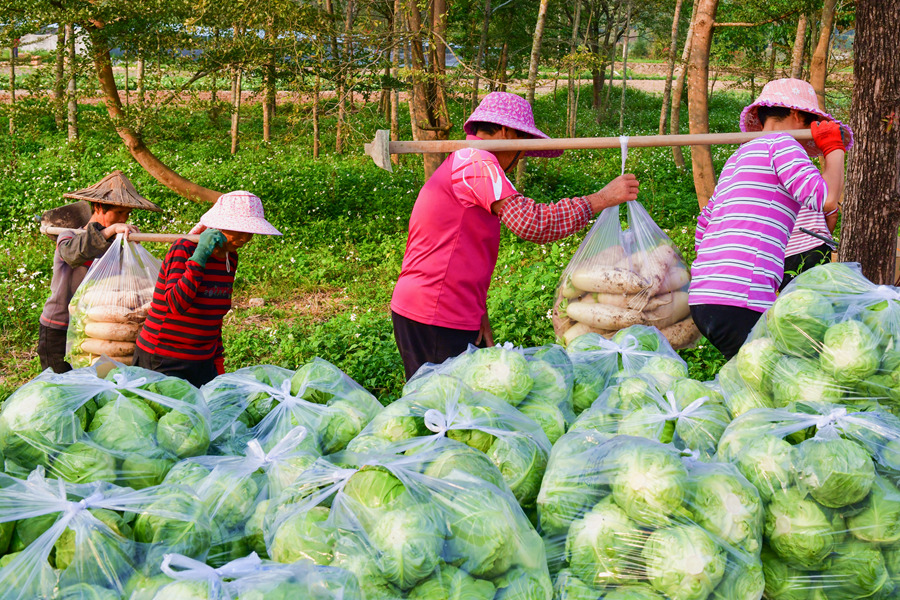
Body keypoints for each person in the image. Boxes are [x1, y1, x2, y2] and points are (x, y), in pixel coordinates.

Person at [391, 91, 640, 380]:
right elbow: (530, 223)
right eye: (522, 148)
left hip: (444, 309)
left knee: (451, 405)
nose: (520, 157)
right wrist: (601, 199)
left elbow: (458, 249)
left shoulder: (468, 163)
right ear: (508, 132)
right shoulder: (476, 163)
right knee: (440, 409)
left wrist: (478, 314)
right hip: (434, 313)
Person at [688, 78, 852, 359]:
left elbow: (703, 229)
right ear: (798, 115)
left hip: (704, 296)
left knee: (748, 379)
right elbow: (826, 199)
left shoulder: (739, 157)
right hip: (741, 297)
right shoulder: (783, 145)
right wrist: (834, 150)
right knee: (775, 381)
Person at [134, 191, 281, 387]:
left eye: (250, 231)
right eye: (238, 230)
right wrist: (200, 257)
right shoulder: (185, 249)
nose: (245, 238)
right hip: (163, 359)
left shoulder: (230, 257)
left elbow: (214, 315)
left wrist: (217, 363)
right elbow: (176, 304)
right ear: (218, 226)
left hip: (202, 361)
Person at [38, 176, 160, 373]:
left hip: (98, 329)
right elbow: (72, 254)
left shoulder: (115, 247)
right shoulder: (69, 236)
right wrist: (109, 231)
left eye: (127, 214)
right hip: (59, 326)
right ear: (98, 207)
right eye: (118, 212)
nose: (123, 219)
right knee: (62, 385)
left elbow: (122, 285)